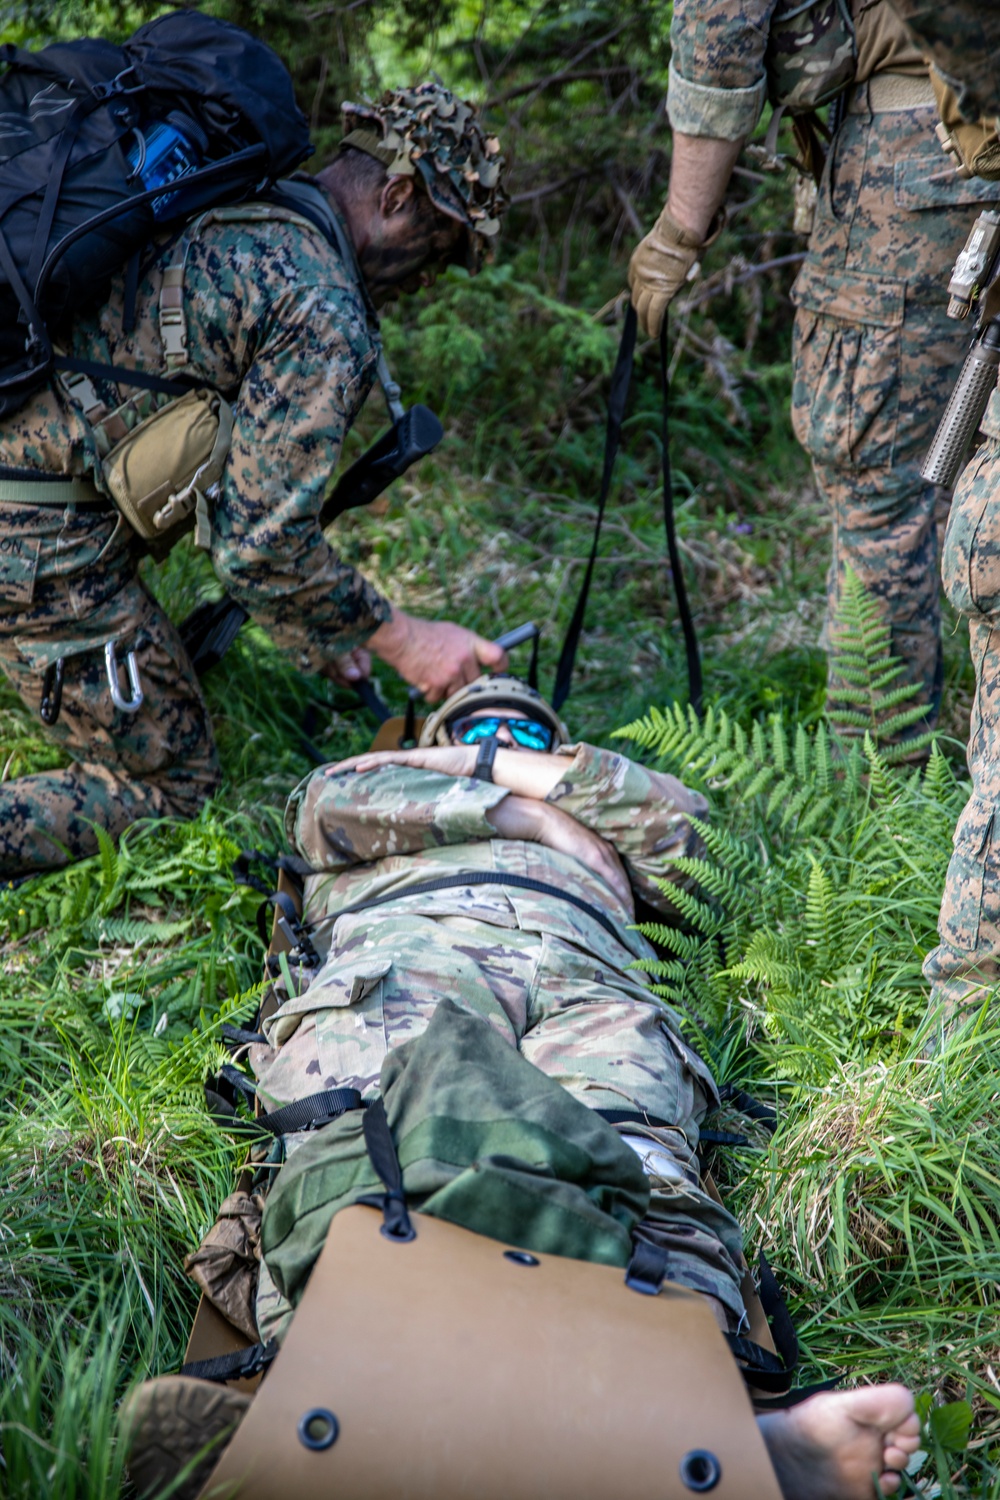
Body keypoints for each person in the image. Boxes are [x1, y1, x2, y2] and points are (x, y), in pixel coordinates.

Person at [124, 672, 921, 1500]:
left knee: (643, 1177)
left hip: (588, 983)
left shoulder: (603, 802)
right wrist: (525, 808)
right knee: (375, 1161)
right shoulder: (371, 781)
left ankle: (712, 1436)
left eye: (528, 737)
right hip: (410, 952)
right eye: (477, 731)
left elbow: (693, 839)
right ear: (436, 740)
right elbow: (324, 801)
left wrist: (525, 776)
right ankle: (320, 1402)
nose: (503, 742)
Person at [0, 81, 508, 877]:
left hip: (33, 481)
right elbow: (263, 547)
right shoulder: (320, 306)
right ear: (397, 196)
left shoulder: (250, 207)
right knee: (177, 787)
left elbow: (226, 488)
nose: (429, 280)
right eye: (439, 248)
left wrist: (328, 625)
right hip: (34, 549)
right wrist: (406, 639)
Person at [628, 0, 1000, 733]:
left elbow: (721, 25)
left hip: (925, 163)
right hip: (955, 152)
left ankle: (879, 798)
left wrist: (680, 227)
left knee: (879, 483)